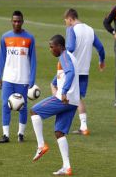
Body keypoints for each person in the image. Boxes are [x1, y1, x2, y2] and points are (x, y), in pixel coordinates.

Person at [30, 35, 79, 175]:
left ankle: (41, 146)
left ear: (60, 46)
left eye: (52, 47)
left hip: (64, 99)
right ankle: (67, 167)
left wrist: (63, 92)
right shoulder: (69, 57)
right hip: (74, 101)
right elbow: (63, 75)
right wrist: (54, 83)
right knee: (59, 133)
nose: (50, 50)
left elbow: (70, 73)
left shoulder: (64, 56)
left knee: (34, 111)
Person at [0, 10, 36, 143]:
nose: (17, 23)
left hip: (23, 79)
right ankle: (6, 135)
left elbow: (33, 60)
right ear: (11, 22)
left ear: (22, 22)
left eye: (19, 21)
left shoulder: (29, 38)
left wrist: (32, 78)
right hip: (8, 78)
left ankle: (21, 133)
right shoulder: (5, 37)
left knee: (22, 107)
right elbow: (1, 58)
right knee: (5, 105)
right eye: (14, 21)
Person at [64, 8, 105, 135]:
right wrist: (101, 60)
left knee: (57, 88)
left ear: (70, 19)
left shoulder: (71, 29)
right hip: (84, 70)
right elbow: (100, 47)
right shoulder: (90, 29)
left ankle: (62, 121)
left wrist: (63, 52)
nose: (66, 23)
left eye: (65, 21)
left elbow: (70, 47)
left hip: (72, 69)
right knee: (77, 98)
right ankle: (83, 126)